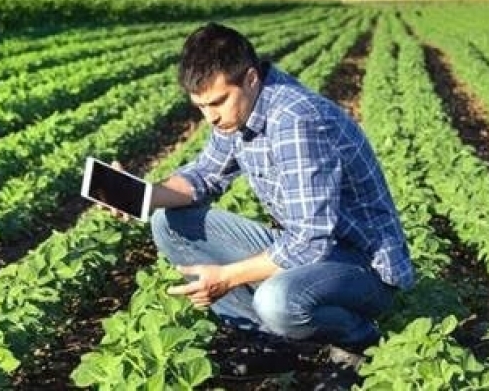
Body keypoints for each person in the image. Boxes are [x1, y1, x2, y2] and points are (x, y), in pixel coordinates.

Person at [113, 22, 414, 384]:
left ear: (251, 79)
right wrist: (138, 193)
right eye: (201, 106)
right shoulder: (238, 113)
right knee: (168, 223)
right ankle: (275, 342)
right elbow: (205, 175)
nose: (211, 117)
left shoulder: (296, 121)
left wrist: (224, 278)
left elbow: (311, 241)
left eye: (218, 101)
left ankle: (358, 343)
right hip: (313, 254)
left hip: (362, 268)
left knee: (276, 301)